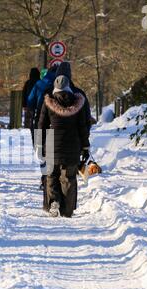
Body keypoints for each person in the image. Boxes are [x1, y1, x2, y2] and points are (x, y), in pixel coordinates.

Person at [38, 75, 90, 218]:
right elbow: (82, 126)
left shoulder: (48, 102)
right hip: (73, 146)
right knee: (68, 177)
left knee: (52, 175)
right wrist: (85, 146)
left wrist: (39, 144)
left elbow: (41, 125)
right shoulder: (78, 103)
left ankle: (54, 202)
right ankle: (67, 210)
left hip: (52, 145)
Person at [27, 65, 58, 146]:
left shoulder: (39, 83)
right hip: (55, 112)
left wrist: (32, 108)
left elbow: (30, 100)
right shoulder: (60, 84)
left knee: (40, 127)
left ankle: (39, 147)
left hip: (40, 110)